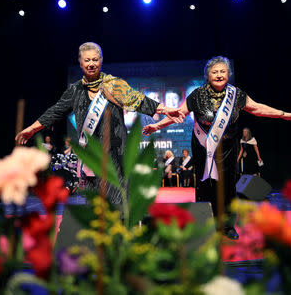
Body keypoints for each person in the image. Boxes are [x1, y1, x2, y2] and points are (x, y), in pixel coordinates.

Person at [143, 56, 291, 239]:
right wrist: (156, 126)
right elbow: (177, 114)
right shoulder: (197, 95)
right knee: (205, 186)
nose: (219, 75)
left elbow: (257, 108)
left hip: (227, 150)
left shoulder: (237, 95)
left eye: (222, 71)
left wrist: (282, 115)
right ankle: (204, 224)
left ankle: (227, 226)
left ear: (228, 74)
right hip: (203, 149)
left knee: (227, 187)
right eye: (214, 72)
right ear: (207, 75)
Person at [16, 42, 185, 204]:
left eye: (95, 59)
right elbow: (55, 111)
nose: (91, 64)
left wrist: (165, 109)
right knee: (94, 205)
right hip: (90, 155)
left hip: (116, 153)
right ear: (80, 63)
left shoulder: (113, 85)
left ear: (101, 61)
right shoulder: (75, 90)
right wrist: (32, 128)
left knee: (118, 202)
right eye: (87, 60)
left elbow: (138, 100)